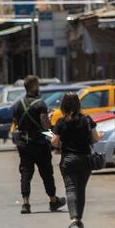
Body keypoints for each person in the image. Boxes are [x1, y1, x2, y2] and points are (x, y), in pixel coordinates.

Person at [12, 75, 66, 215]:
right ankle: (53, 200)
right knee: (46, 172)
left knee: (25, 172)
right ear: (35, 87)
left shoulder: (18, 104)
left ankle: (26, 203)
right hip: (39, 144)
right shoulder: (40, 104)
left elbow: (16, 123)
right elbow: (45, 125)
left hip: (24, 143)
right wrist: (49, 121)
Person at [51, 93, 100, 228]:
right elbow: (95, 138)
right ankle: (78, 220)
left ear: (63, 105)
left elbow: (54, 142)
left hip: (68, 160)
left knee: (71, 189)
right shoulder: (87, 120)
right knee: (80, 190)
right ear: (78, 104)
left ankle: (73, 220)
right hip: (85, 160)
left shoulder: (61, 122)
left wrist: (62, 143)